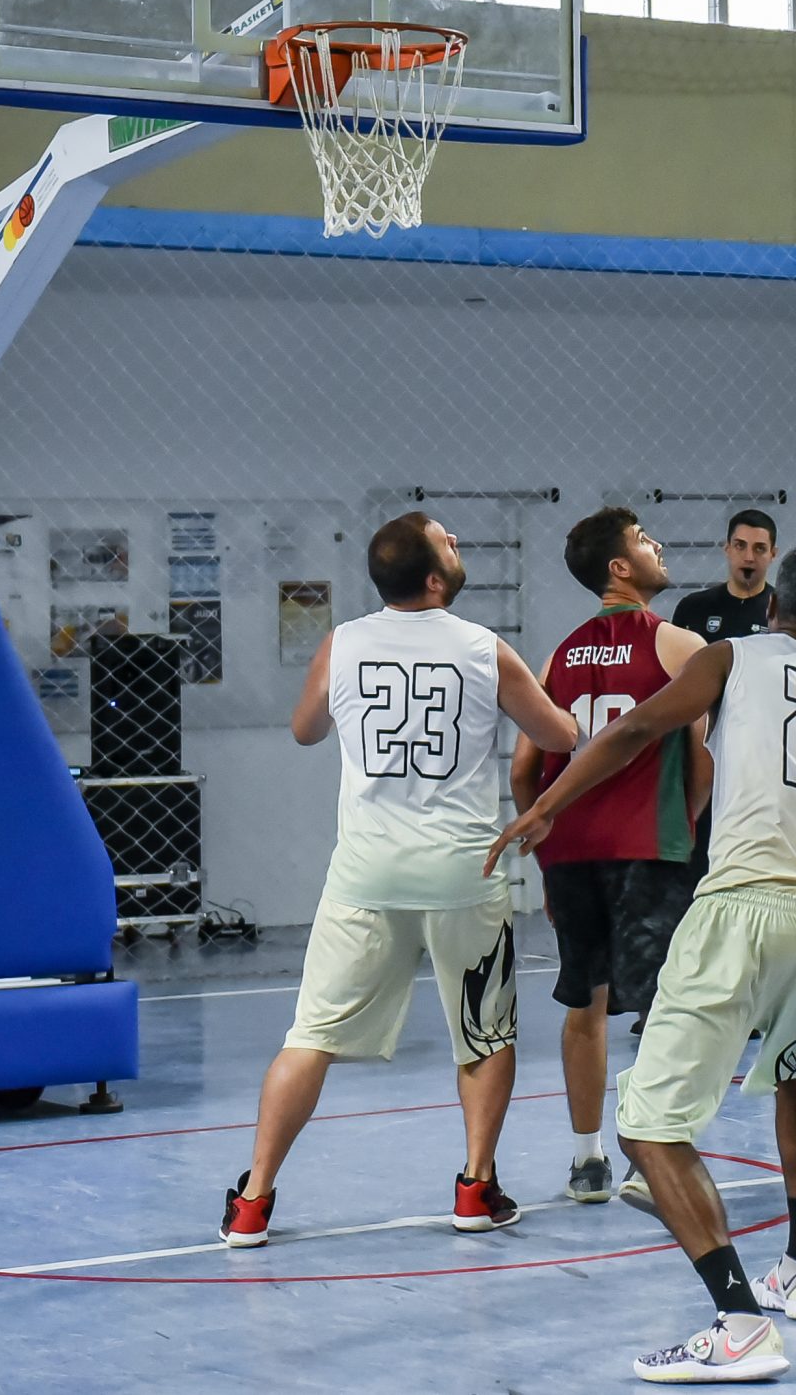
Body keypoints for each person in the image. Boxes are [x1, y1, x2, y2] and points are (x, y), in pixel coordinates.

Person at [485, 545, 796, 1384]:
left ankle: (738, 1320)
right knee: (795, 1075)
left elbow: (632, 730)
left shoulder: (730, 656)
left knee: (650, 1125)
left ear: (772, 606)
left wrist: (547, 804)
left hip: (743, 911)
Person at [220, 512, 582, 1250]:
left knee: (310, 1035)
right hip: (463, 871)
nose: (460, 543)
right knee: (484, 1033)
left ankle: (253, 1200)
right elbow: (561, 736)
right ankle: (476, 1187)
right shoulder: (485, 650)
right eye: (450, 540)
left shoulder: (343, 641)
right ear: (432, 576)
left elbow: (304, 730)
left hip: (366, 873)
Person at [511, 507, 713, 1206]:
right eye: (644, 540)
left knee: (583, 1000)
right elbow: (702, 755)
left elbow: (522, 767)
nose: (658, 546)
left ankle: (585, 1159)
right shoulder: (676, 643)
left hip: (569, 851)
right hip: (644, 847)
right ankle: (645, 1153)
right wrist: (683, 827)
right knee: (661, 1002)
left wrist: (546, 841)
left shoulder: (557, 654)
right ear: (620, 567)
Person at [670, 508, 780, 640]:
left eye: (759, 548)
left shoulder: (785, 614)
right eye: (740, 546)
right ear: (727, 549)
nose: (749, 557)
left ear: (773, 554)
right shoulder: (692, 608)